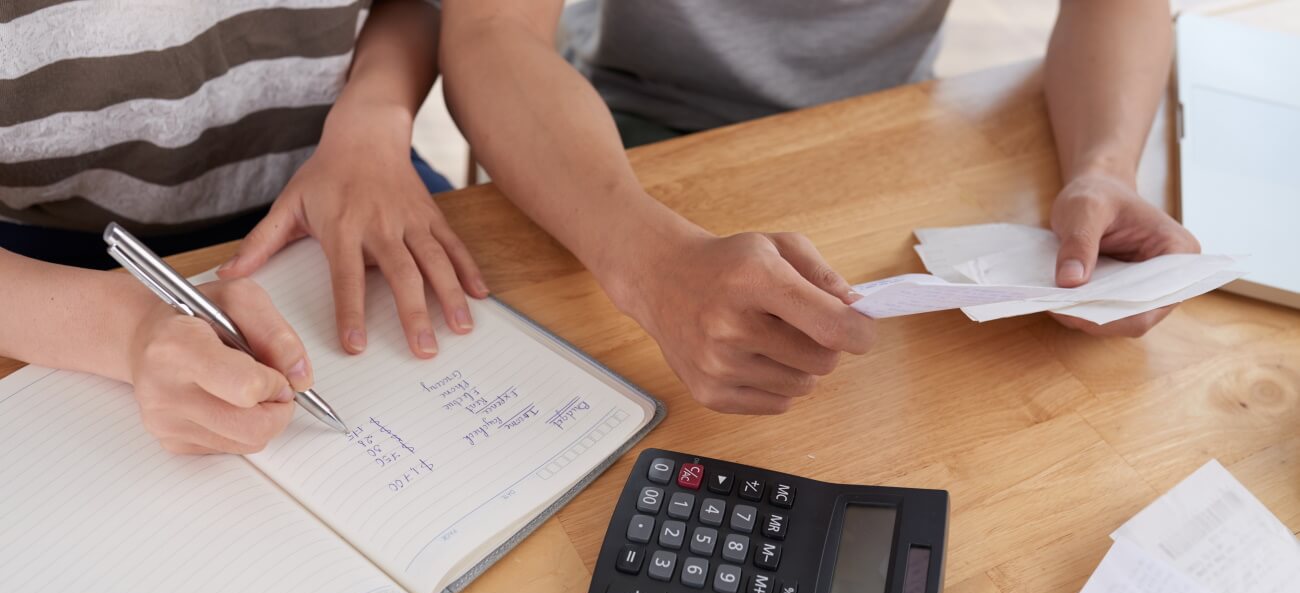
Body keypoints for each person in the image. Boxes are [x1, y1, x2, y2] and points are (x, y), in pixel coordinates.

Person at [437, 0, 1201, 415]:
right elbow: (489, 29)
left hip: (894, 130)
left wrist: (1104, 166)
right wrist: (649, 264)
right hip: (623, 142)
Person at [0, 0, 484, 454]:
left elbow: (413, 6)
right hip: (45, 260)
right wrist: (127, 330)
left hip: (351, 165)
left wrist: (377, 115)